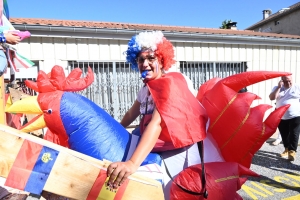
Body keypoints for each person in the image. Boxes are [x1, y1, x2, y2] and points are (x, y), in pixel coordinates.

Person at [106, 31, 208, 190]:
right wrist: (114, 130)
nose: (145, 64)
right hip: (154, 143)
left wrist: (132, 164)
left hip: (176, 148)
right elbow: (131, 114)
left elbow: (157, 123)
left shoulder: (170, 83)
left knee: (168, 189)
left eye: (151, 58)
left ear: (161, 61)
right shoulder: (145, 89)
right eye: (141, 59)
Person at [269, 75, 300, 161]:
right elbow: (272, 98)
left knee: (294, 133)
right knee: (284, 133)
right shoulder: (277, 88)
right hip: (280, 116)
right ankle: (286, 148)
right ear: (282, 81)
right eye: (285, 81)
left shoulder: (297, 87)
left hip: (295, 115)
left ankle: (292, 151)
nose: (288, 83)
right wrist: (279, 87)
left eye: (289, 81)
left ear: (292, 79)